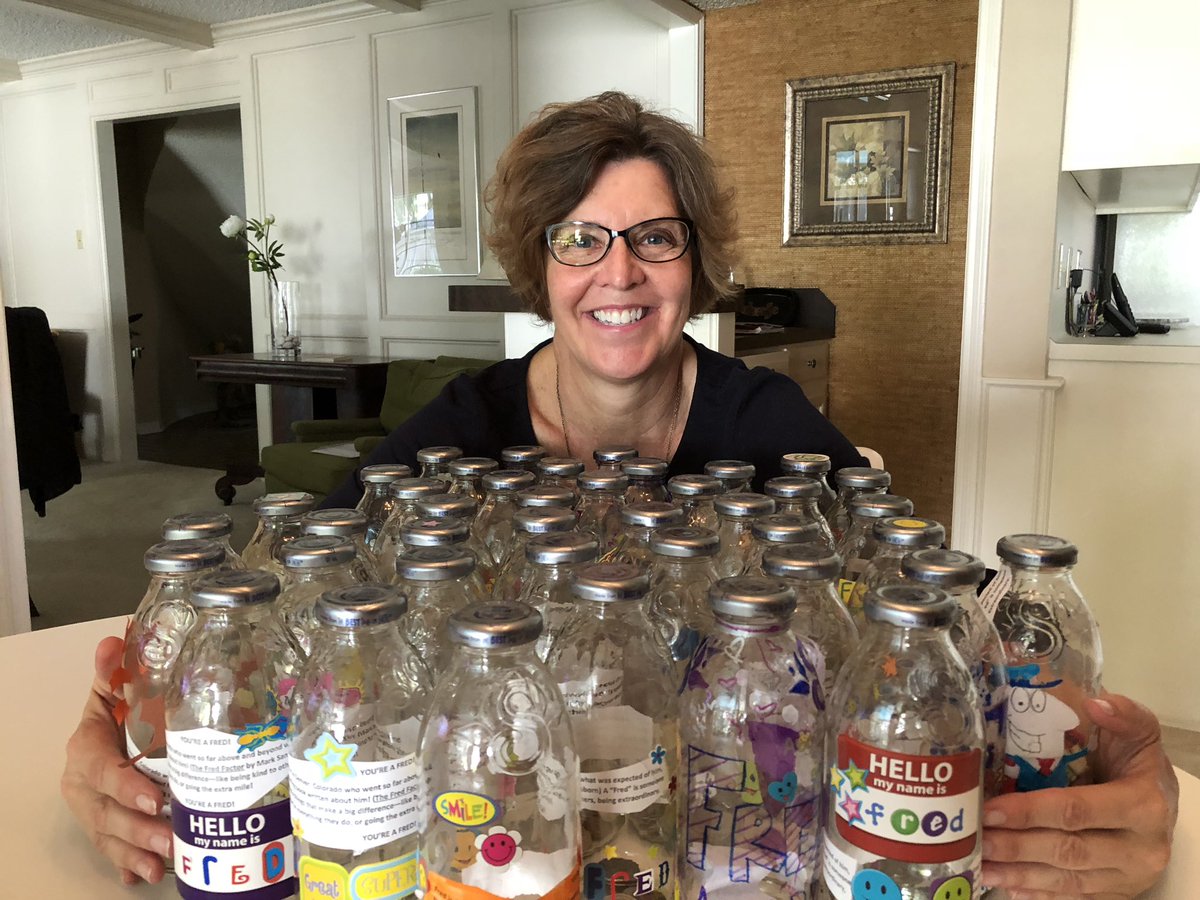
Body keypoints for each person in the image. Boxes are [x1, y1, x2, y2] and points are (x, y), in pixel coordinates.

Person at [61, 92, 1177, 896]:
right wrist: (108, 733)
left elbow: (949, 630)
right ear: (539, 262)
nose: (620, 271)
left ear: (694, 261)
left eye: (655, 237)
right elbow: (276, 611)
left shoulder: (765, 422)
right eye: (580, 239)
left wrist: (1118, 763)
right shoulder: (465, 424)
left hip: (722, 847)